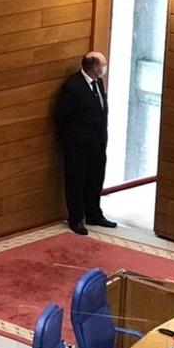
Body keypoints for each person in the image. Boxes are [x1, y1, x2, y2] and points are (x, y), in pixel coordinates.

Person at [53, 51, 117, 235]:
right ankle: (76, 218)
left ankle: (94, 214)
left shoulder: (98, 82)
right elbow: (62, 116)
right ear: (94, 67)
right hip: (78, 147)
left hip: (97, 144)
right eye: (103, 65)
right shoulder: (73, 87)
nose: (105, 68)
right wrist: (74, 139)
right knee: (76, 182)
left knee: (95, 180)